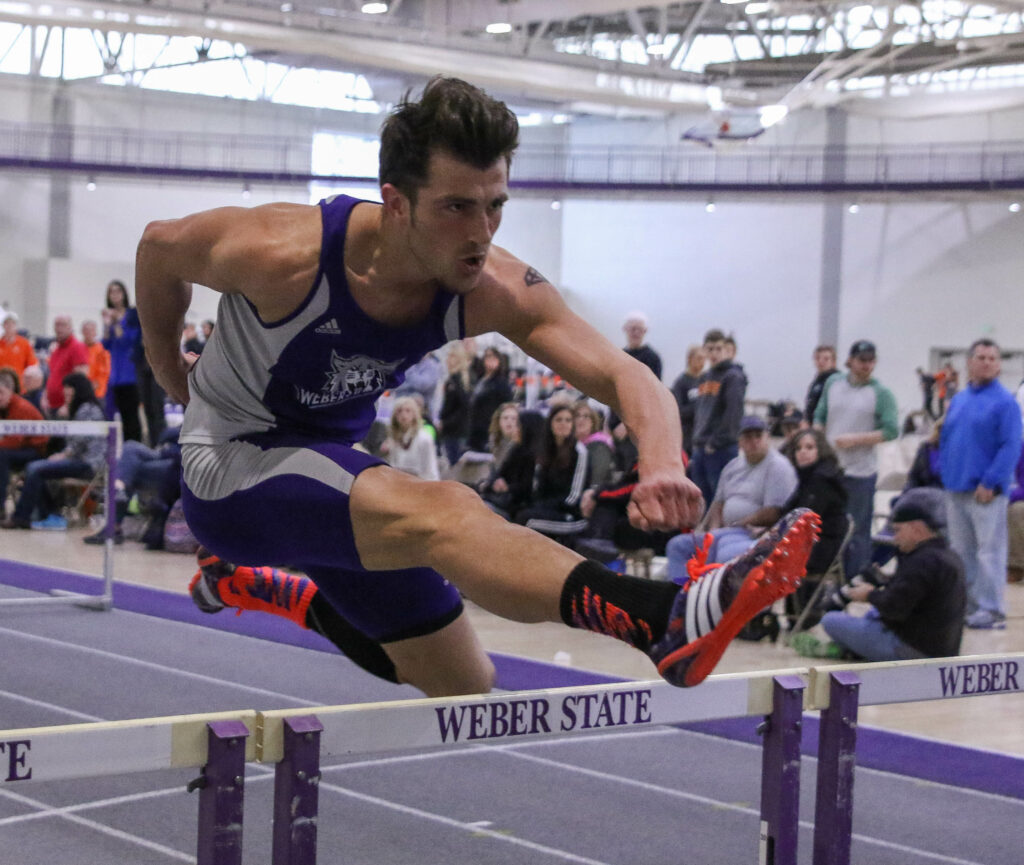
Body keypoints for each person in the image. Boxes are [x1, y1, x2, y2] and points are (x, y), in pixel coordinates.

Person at [136, 76, 818, 696]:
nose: (481, 234)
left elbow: (623, 372)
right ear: (396, 203)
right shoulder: (283, 253)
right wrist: (171, 373)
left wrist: (662, 461)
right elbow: (159, 247)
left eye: (495, 205)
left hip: (330, 470)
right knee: (447, 511)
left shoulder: (488, 284)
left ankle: (263, 589)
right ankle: (663, 616)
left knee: (461, 679)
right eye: (457, 207)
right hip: (229, 462)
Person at [820, 488, 966, 662]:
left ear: (917, 529)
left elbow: (895, 608)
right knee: (873, 614)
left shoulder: (921, 562)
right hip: (941, 648)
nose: (895, 538)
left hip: (913, 650)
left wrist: (869, 595)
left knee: (831, 620)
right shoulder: (947, 555)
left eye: (898, 531)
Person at [939, 338, 1023, 629]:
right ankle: (969, 606)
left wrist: (991, 481)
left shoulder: (1005, 403)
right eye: (981, 357)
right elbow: (947, 439)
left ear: (999, 365)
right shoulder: (960, 400)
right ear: (969, 362)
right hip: (956, 488)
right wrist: (946, 475)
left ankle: (992, 610)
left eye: (992, 358)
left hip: (986, 492)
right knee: (961, 553)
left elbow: (1011, 446)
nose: (986, 362)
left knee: (989, 552)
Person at [666, 415, 798, 578]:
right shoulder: (733, 466)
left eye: (758, 436)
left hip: (759, 533)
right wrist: (713, 527)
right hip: (728, 530)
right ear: (740, 441)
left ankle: (719, 599)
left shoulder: (778, 467)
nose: (754, 441)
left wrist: (736, 524)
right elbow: (718, 504)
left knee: (723, 551)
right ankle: (681, 594)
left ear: (767, 438)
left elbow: (773, 513)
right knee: (678, 545)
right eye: (748, 437)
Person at [814, 339, 899, 580]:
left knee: (857, 529)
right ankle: (827, 576)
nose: (866, 365)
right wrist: (818, 443)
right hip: (831, 469)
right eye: (862, 360)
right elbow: (820, 415)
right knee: (827, 525)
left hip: (860, 472)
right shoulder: (833, 383)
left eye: (871, 361)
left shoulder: (881, 394)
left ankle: (854, 580)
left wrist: (857, 439)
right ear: (850, 361)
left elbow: (892, 430)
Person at [1, 372, 105, 530]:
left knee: (36, 468)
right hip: (78, 459)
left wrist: (63, 455)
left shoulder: (87, 410)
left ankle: (21, 517)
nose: (65, 392)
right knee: (37, 468)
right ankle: (49, 512)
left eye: (69, 389)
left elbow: (80, 442)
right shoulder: (78, 408)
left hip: (88, 463)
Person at [781, 428, 848, 627]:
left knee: (772, 559)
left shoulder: (823, 478)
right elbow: (789, 512)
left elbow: (805, 516)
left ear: (821, 451)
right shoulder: (805, 476)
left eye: (809, 447)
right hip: (807, 541)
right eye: (798, 448)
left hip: (823, 545)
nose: (803, 452)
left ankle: (797, 619)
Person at [513, 404, 590, 541]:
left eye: (568, 420)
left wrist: (544, 507)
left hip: (571, 515)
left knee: (526, 521)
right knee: (515, 513)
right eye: (558, 420)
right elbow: (537, 487)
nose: (563, 424)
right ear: (550, 424)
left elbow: (573, 497)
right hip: (546, 509)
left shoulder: (579, 452)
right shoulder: (544, 450)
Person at [689, 328, 747, 504]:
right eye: (710, 349)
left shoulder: (733, 376)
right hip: (700, 447)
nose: (714, 353)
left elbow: (733, 415)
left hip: (720, 449)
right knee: (701, 502)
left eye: (718, 349)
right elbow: (700, 413)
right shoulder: (704, 377)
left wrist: (715, 443)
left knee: (720, 502)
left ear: (726, 350)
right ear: (704, 351)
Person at [0, 367, 49, 513]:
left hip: (37, 450)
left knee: (1, 456)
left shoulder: (21, 407)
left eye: (1, 393)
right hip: (20, 448)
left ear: (11, 392)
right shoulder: (4, 406)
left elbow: (15, 442)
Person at [102, 279, 144, 442]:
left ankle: (135, 447)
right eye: (111, 292)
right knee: (119, 417)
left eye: (118, 291)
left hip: (130, 372)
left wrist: (117, 322)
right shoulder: (109, 316)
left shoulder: (130, 315)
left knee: (131, 415)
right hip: (115, 374)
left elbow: (128, 339)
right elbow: (105, 344)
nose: (115, 295)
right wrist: (107, 325)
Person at [379, 395, 440, 481]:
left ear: (414, 414)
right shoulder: (393, 438)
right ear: (394, 416)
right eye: (399, 411)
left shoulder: (424, 438)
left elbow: (430, 469)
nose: (403, 415)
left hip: (421, 484)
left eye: (408, 411)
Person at [465, 346, 512, 452]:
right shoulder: (480, 380)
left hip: (489, 428)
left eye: (493, 357)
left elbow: (507, 405)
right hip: (474, 428)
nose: (490, 360)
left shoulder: (501, 382)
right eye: (487, 356)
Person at [44, 315, 89, 416]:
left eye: (63, 325)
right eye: (57, 325)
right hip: (53, 405)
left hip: (65, 408)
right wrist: (45, 397)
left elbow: (81, 380)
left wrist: (68, 405)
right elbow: (52, 375)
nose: (59, 328)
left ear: (70, 327)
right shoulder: (56, 349)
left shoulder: (77, 347)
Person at [437, 346, 471, 467]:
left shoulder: (457, 381)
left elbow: (463, 409)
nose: (447, 359)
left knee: (454, 466)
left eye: (451, 356)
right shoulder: (456, 380)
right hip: (455, 430)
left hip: (454, 432)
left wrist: (445, 423)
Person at [669, 344, 704, 457]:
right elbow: (678, 411)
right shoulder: (681, 383)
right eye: (699, 358)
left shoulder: (706, 380)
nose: (702, 362)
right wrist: (698, 406)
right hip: (687, 436)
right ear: (690, 359)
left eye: (704, 358)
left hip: (703, 434)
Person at [572, 401, 615, 489]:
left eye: (586, 416)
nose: (581, 419)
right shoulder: (571, 444)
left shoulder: (599, 445)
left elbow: (597, 478)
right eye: (577, 415)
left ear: (592, 422)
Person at [621, 311, 662, 381]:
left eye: (640, 329)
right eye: (633, 328)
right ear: (625, 329)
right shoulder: (620, 356)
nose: (636, 332)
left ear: (645, 331)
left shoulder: (653, 358)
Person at [0, 311, 40, 381]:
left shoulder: (24, 344)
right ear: (3, 325)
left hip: (19, 384)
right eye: (7, 323)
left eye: (12, 323)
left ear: (16, 326)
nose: (9, 326)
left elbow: (32, 365)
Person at [805, 345, 838, 423]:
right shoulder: (816, 381)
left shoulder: (836, 381)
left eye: (826, 359)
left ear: (833, 362)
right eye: (817, 358)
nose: (821, 361)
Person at [81, 320, 111, 401]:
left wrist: (95, 384)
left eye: (91, 330)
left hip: (97, 392)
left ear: (95, 332)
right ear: (82, 332)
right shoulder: (79, 349)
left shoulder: (102, 349)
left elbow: (105, 371)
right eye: (86, 330)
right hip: (81, 391)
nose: (88, 333)